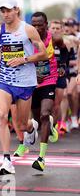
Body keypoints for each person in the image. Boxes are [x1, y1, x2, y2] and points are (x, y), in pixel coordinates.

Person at [0, 0, 48, 176]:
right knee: (1, 115)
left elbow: (43, 53)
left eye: (8, 10)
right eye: (3, 11)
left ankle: (31, 127)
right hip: (5, 80)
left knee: (21, 125)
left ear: (16, 10)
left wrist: (24, 59)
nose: (5, 14)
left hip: (25, 81)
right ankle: (6, 160)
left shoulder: (28, 29)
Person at [29, 12, 61, 171]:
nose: (36, 27)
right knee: (38, 119)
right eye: (33, 24)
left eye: (39, 24)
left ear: (46, 24)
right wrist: (33, 74)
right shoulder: (27, 40)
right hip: (32, 83)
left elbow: (64, 49)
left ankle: (41, 158)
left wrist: (62, 67)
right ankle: (50, 127)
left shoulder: (53, 38)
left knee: (44, 114)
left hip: (49, 81)